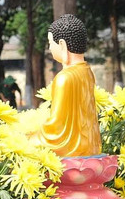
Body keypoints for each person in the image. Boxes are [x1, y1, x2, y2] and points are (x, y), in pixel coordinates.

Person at [39, 14, 101, 157]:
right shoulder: (87, 72)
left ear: (62, 44)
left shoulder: (64, 78)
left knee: (25, 140)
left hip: (70, 150)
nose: (49, 48)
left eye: (50, 43)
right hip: (91, 147)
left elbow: (56, 130)